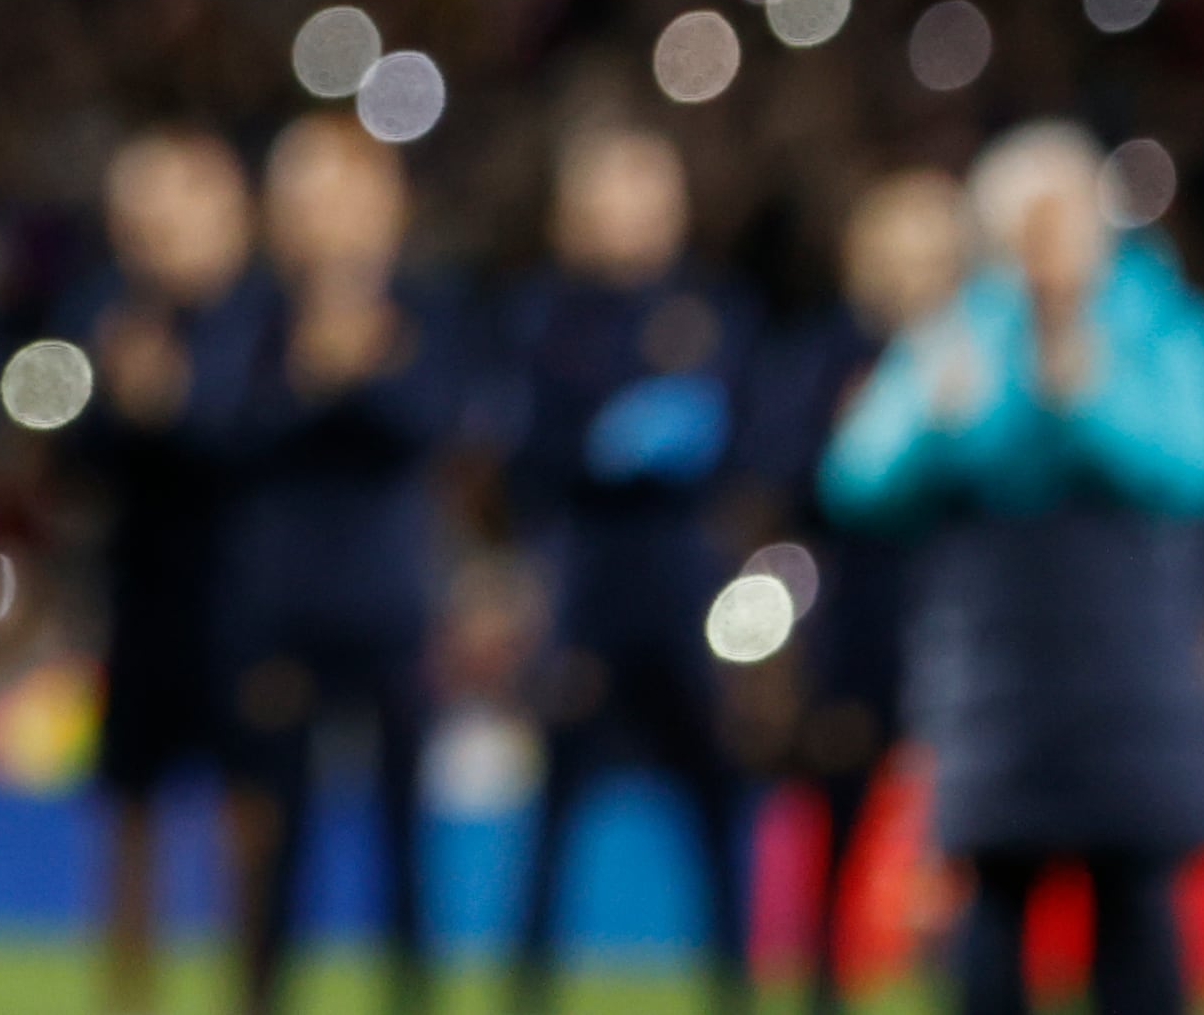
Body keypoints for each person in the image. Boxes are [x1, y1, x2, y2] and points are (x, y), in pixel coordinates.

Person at [821, 122, 1204, 1015]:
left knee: (1135, 900)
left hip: (1135, 677)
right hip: (995, 685)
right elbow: (856, 479)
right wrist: (932, 424)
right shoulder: (960, 332)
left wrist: (1095, 399)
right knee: (992, 908)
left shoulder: (1163, 323)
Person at [506, 125, 752, 1013]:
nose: (627, 212)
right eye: (608, 192)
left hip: (686, 599)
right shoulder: (545, 315)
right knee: (554, 816)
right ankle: (526, 991)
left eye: (646, 190)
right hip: (585, 594)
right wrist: (607, 440)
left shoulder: (715, 309)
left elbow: (742, 445)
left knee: (717, 808)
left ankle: (735, 987)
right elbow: (525, 458)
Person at [213, 116, 455, 1015]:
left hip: (389, 607)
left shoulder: (425, 307)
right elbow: (223, 430)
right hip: (278, 609)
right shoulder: (253, 313)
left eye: (347, 194)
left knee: (405, 835)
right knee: (275, 833)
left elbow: (432, 421)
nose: (328, 218)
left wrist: (361, 370)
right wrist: (319, 373)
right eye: (308, 196)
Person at [750, 172, 964, 1015]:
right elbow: (787, 477)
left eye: (932, 258)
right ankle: (820, 984)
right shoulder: (827, 356)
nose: (913, 278)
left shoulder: (980, 350)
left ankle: (963, 975)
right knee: (839, 816)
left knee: (960, 832)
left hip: (959, 626)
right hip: (857, 626)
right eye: (897, 257)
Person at [71, 128, 253, 1015]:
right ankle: (127, 998)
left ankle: (253, 987)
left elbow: (251, 437)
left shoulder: (260, 314)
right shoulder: (110, 311)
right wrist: (129, 408)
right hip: (140, 599)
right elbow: (75, 455)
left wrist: (170, 406)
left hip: (245, 601)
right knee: (129, 812)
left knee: (248, 812)